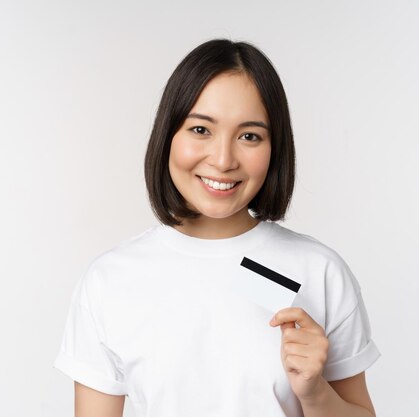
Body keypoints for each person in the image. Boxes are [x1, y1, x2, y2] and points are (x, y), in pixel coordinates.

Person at [53, 38, 381, 417]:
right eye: (200, 130)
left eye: (249, 136)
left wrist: (314, 392)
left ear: (275, 149)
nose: (224, 160)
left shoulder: (319, 272)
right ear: (168, 136)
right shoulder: (110, 280)